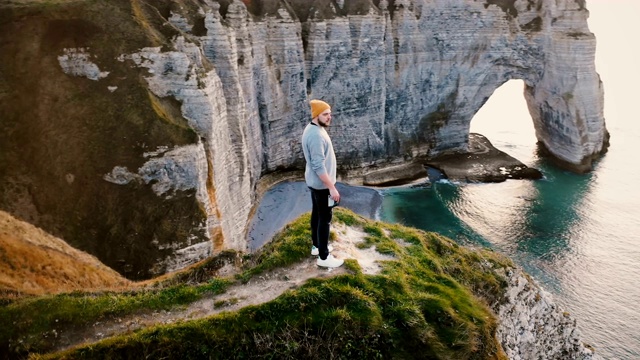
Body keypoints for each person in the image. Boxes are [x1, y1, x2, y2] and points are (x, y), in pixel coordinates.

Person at [301, 99, 344, 268]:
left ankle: (317, 246)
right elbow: (318, 165)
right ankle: (324, 258)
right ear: (316, 115)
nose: (329, 117)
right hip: (321, 185)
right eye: (325, 114)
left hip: (315, 183)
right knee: (325, 219)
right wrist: (331, 187)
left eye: (330, 114)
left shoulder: (314, 128)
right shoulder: (316, 136)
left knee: (317, 215)